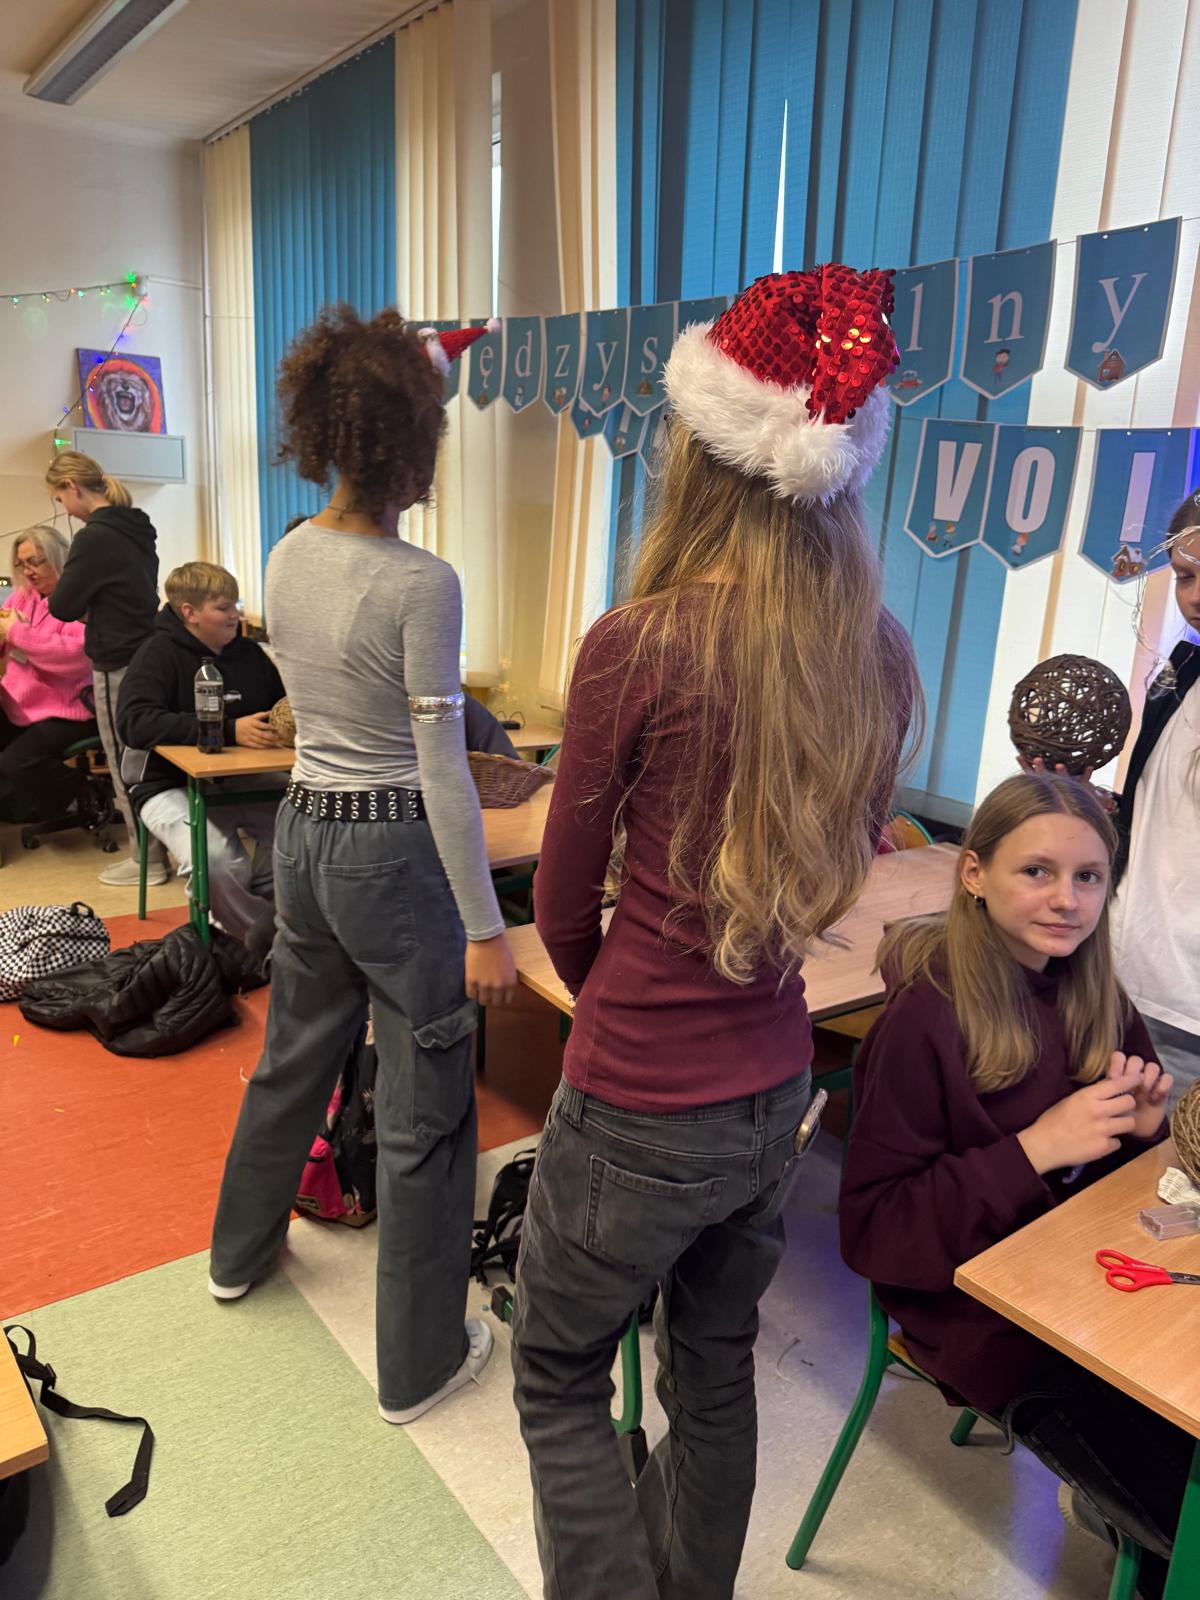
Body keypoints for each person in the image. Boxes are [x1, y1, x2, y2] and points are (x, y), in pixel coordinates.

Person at [510, 266, 921, 1600]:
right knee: (713, 1368)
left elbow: (562, 904)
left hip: (639, 1087)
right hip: (774, 1087)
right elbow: (852, 855)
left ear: (700, 452)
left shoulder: (641, 642)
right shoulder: (878, 652)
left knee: (558, 1367)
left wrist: (614, 1001)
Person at [209, 305, 517, 1426]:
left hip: (303, 834)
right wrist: (485, 925)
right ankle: (420, 1363)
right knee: (429, 1098)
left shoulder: (288, 551)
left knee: (294, 1055)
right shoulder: (422, 581)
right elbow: (441, 766)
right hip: (393, 852)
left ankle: (236, 1256)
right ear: (410, 440)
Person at [841, 773, 1188, 1600]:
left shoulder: (1095, 990)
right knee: (1184, 1513)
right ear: (975, 874)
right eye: (1036, 871)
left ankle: (1133, 1537)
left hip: (1093, 1293)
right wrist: (1033, 1149)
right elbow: (875, 1232)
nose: (1066, 900)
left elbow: (1107, 1186)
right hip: (985, 1322)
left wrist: (1145, 1134)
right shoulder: (924, 1020)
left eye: (1088, 877)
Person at [117, 562, 285, 946]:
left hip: (242, 778)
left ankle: (264, 914)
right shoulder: (156, 654)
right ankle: (256, 941)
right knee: (217, 862)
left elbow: (280, 707)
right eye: (223, 608)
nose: (235, 615)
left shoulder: (249, 654)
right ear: (189, 612)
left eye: (235, 605)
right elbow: (135, 723)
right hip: (166, 784)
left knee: (302, 830)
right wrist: (228, 730)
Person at [1110, 490, 1200, 1099]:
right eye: (1185, 576)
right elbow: (1154, 817)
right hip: (1123, 978)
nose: (1194, 595)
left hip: (1188, 1008)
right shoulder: (1180, 674)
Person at [44, 449, 168, 886]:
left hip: (115, 659)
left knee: (122, 761)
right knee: (146, 758)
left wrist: (90, 610)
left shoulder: (94, 536)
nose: (66, 510)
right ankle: (158, 850)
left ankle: (146, 861)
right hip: (148, 653)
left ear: (72, 487)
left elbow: (62, 606)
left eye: (61, 499)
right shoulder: (137, 526)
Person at [0, 525, 97, 823]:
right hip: (20, 703)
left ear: (59, 557)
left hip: (68, 709)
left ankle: (85, 789)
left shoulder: (81, 600)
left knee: (15, 762)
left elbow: (76, 657)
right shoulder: (21, 597)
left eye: (34, 562)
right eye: (21, 564)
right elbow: (9, 641)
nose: (27, 571)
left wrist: (17, 633)